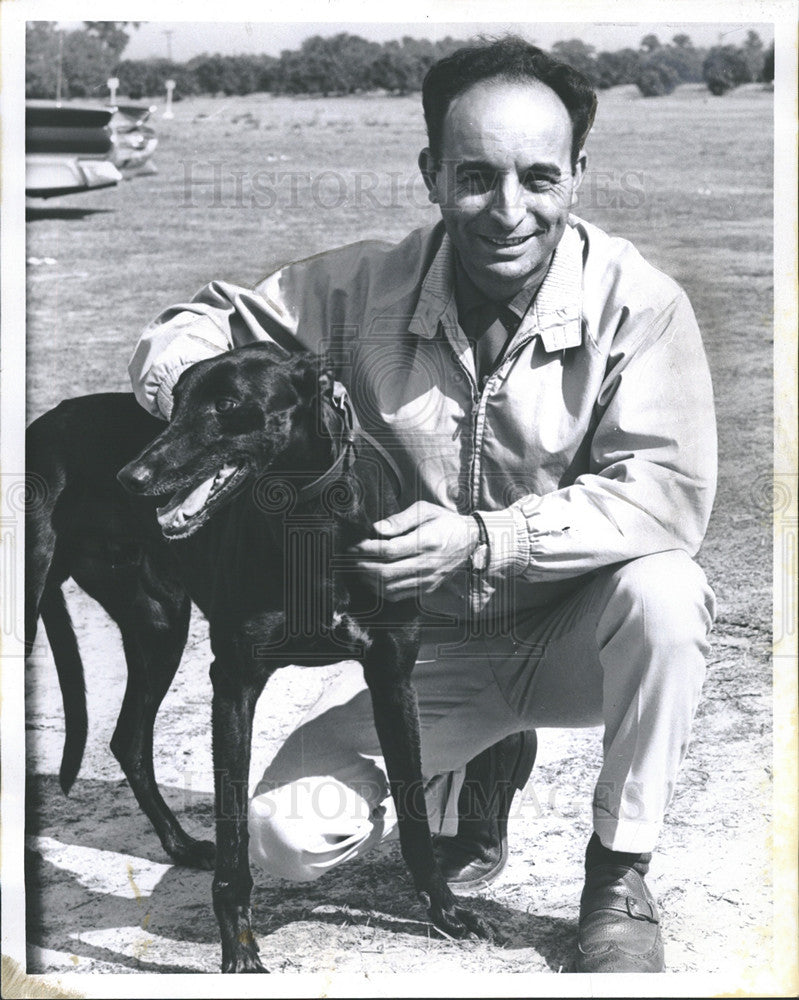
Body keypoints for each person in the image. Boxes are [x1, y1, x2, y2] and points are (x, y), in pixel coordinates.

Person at [128, 37, 717, 973]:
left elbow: (669, 496)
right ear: (431, 174)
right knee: (287, 840)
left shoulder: (638, 306)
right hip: (421, 657)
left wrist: (487, 540)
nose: (508, 210)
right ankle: (470, 767)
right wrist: (198, 388)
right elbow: (199, 324)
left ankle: (618, 874)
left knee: (666, 596)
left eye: (538, 176)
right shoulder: (355, 287)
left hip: (569, 637)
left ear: (577, 174)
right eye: (475, 176)